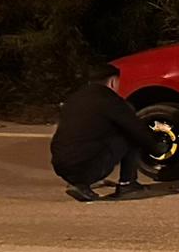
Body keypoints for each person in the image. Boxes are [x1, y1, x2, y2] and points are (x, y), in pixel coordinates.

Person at [49, 63, 169, 202]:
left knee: (89, 139)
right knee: (129, 134)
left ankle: (79, 183)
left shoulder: (74, 99)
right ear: (112, 82)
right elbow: (136, 129)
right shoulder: (111, 101)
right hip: (87, 166)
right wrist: (156, 147)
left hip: (61, 165)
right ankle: (127, 184)